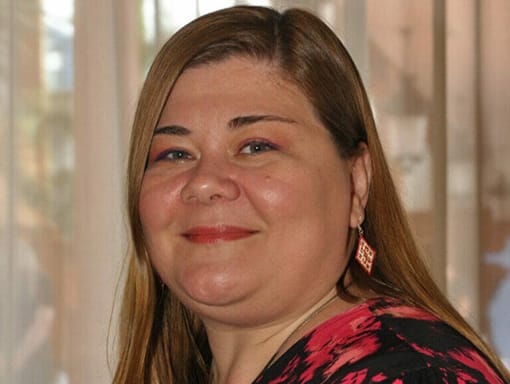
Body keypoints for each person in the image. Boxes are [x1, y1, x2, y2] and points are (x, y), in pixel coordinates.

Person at [112, 6, 509, 384]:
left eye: (256, 146)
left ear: (357, 181)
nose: (204, 181)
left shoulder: (407, 374)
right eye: (175, 154)